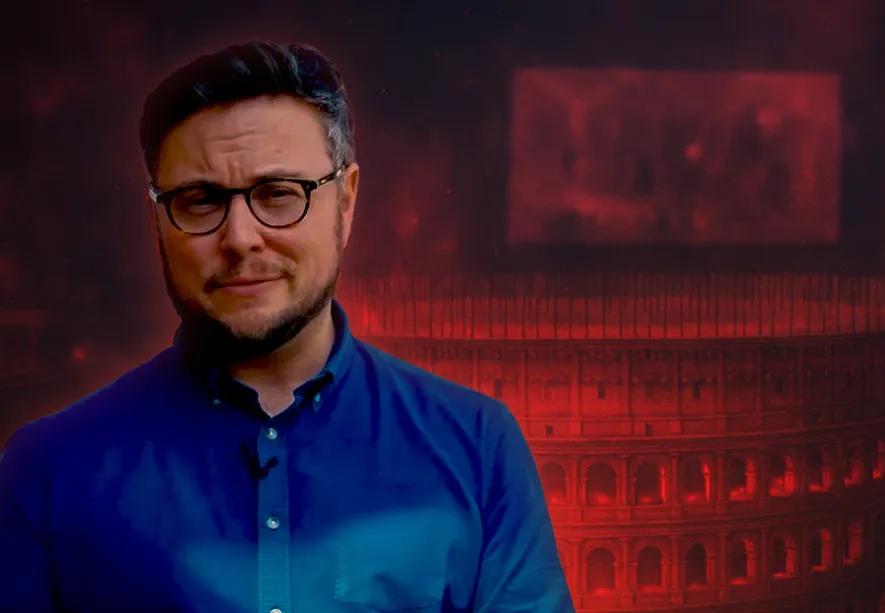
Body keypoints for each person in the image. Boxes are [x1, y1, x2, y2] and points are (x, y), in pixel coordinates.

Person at [0, 41, 574, 612]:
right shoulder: (47, 471)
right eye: (200, 201)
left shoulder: (478, 449)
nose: (241, 238)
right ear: (158, 219)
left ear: (346, 203)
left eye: (279, 195)